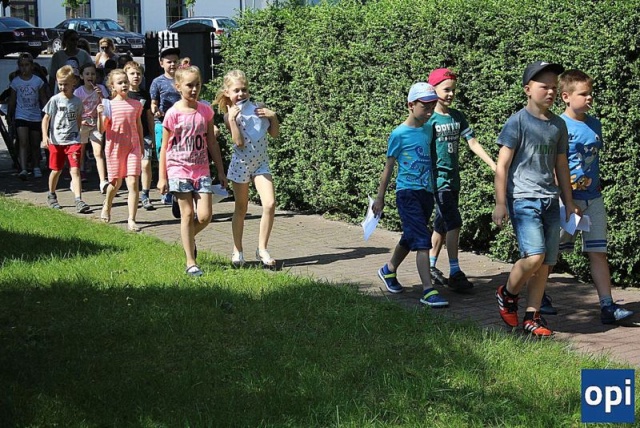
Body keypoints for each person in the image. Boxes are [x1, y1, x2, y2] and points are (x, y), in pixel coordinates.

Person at [492, 61, 580, 337]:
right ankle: (507, 294)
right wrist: (500, 202)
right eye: (544, 87)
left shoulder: (558, 125)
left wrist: (569, 200)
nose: (551, 92)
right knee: (534, 256)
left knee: (546, 263)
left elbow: (561, 165)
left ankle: (532, 316)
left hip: (550, 200)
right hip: (523, 198)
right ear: (528, 89)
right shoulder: (517, 122)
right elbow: (502, 165)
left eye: (554, 87)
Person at [541, 69, 634, 324]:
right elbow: (553, 165)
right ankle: (538, 296)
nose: (589, 98)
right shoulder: (557, 126)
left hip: (593, 198)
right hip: (565, 200)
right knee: (551, 253)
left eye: (590, 93)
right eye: (583, 94)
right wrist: (566, 199)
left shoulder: (595, 124)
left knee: (598, 252)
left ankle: (607, 306)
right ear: (566, 97)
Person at [372, 82, 448, 307]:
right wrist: (380, 197)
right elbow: (388, 168)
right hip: (407, 194)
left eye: (432, 106)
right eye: (425, 107)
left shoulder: (428, 129)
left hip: (426, 193)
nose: (429, 111)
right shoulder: (399, 134)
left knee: (410, 236)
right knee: (423, 240)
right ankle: (428, 290)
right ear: (410, 105)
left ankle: (388, 270)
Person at [426, 68, 497, 290]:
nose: (450, 94)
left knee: (441, 224)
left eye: (453, 90)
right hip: (438, 182)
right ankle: (455, 272)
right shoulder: (428, 119)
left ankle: (430, 265)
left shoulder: (457, 117)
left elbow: (472, 142)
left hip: (453, 180)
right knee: (454, 222)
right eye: (446, 89)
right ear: (433, 90)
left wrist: (493, 164)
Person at [157, 65, 227, 276]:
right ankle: (191, 261)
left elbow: (212, 143)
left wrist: (220, 171)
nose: (194, 89)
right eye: (189, 85)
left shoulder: (205, 111)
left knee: (205, 216)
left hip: (201, 169)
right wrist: (162, 177)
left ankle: (188, 236)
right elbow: (164, 148)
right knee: (187, 213)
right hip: (178, 168)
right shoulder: (173, 114)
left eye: (197, 84)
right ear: (178, 86)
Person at [214, 69, 280, 268]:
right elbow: (239, 142)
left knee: (269, 204)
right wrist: (232, 120)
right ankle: (237, 250)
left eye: (244, 89)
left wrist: (273, 117)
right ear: (228, 93)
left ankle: (262, 249)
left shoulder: (259, 108)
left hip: (261, 164)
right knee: (241, 208)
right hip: (241, 165)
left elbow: (274, 134)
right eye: (236, 90)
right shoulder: (229, 116)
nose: (241, 94)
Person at [96, 69, 144, 232]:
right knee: (115, 183)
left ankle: (131, 219)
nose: (124, 85)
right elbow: (102, 129)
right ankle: (107, 205)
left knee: (133, 182)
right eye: (120, 83)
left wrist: (142, 145)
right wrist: (100, 114)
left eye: (126, 82)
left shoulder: (136, 104)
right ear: (112, 86)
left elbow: (138, 125)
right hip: (115, 148)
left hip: (133, 147)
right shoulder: (108, 105)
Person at [41, 65, 91, 213]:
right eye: (60, 84)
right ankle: (51, 194)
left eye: (66, 84)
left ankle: (78, 200)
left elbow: (78, 118)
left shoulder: (77, 102)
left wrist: (79, 131)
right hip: (57, 141)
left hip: (73, 141)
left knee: (75, 170)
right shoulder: (55, 100)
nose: (63, 87)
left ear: (73, 83)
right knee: (56, 170)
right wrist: (45, 136)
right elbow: (46, 119)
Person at [8, 53, 48, 180]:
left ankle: (36, 166)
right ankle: (24, 168)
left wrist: (47, 113)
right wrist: (10, 114)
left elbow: (43, 98)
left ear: (32, 66)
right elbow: (12, 100)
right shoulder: (16, 82)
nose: (24, 68)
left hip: (35, 115)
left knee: (35, 143)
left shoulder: (38, 81)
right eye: (21, 65)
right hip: (21, 115)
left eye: (26, 65)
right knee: (23, 141)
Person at [150, 46, 181, 205]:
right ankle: (166, 189)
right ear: (161, 63)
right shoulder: (157, 82)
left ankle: (177, 188)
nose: (172, 64)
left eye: (175, 61)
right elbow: (153, 103)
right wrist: (155, 110)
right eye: (169, 62)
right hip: (162, 123)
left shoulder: (182, 80)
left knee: (178, 156)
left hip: (180, 124)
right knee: (164, 155)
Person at [124, 60, 156, 210]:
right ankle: (133, 193)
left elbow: (149, 116)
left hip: (145, 135)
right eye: (132, 73)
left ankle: (145, 194)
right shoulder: (123, 95)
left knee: (146, 164)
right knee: (131, 168)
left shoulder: (144, 95)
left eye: (138, 74)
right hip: (128, 136)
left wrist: (153, 135)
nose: (136, 76)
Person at [73, 63, 109, 190]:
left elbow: (106, 105)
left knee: (98, 152)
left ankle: (103, 181)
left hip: (96, 123)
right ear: (81, 76)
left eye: (93, 74)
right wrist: (79, 121)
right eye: (87, 74)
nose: (90, 76)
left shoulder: (101, 88)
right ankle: (79, 174)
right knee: (80, 151)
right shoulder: (78, 92)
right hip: (83, 123)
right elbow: (75, 108)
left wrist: (101, 95)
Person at [48, 29, 93, 95]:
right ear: (65, 40)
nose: (75, 42)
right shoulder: (57, 56)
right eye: (72, 40)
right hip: (63, 93)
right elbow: (52, 77)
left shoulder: (84, 54)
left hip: (80, 93)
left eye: (76, 39)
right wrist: (51, 95)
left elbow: (91, 72)